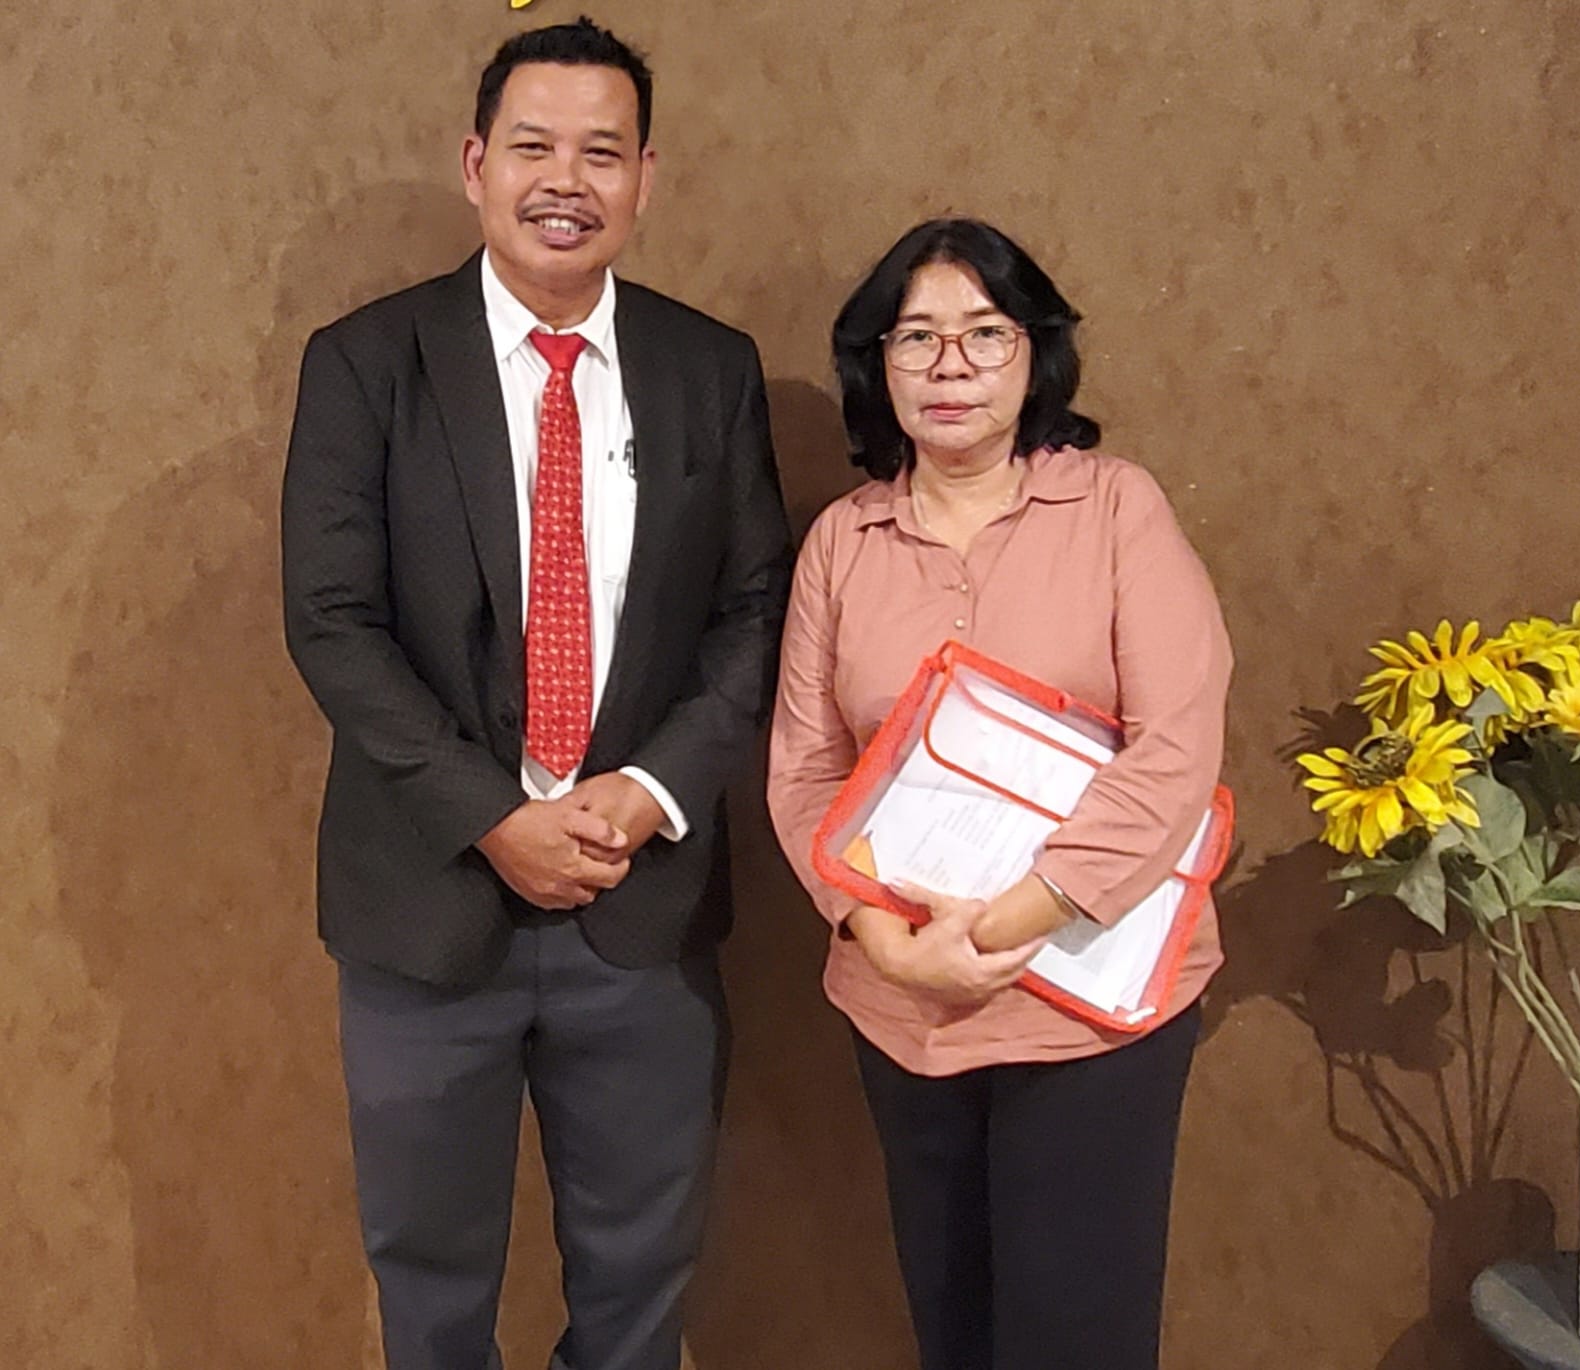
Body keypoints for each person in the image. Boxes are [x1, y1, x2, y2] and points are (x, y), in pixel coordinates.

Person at [280, 18, 791, 1370]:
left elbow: (754, 611)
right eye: (533, 147)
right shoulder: (367, 362)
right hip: (427, 903)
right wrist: (494, 814)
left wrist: (650, 788)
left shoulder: (709, 369)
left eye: (602, 153)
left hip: (643, 904)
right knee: (430, 1287)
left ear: (646, 179)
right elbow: (332, 622)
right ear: (475, 165)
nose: (566, 180)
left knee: (639, 1291)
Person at [766, 218, 1232, 1370]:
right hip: (901, 1001)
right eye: (916, 337)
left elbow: (1175, 745)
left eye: (984, 333)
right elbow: (806, 769)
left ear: (1036, 354)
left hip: (1090, 1002)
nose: (951, 365)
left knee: (1076, 1337)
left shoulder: (1116, 508)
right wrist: (884, 937)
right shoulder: (842, 542)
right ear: (877, 363)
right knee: (954, 1330)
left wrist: (1011, 921)